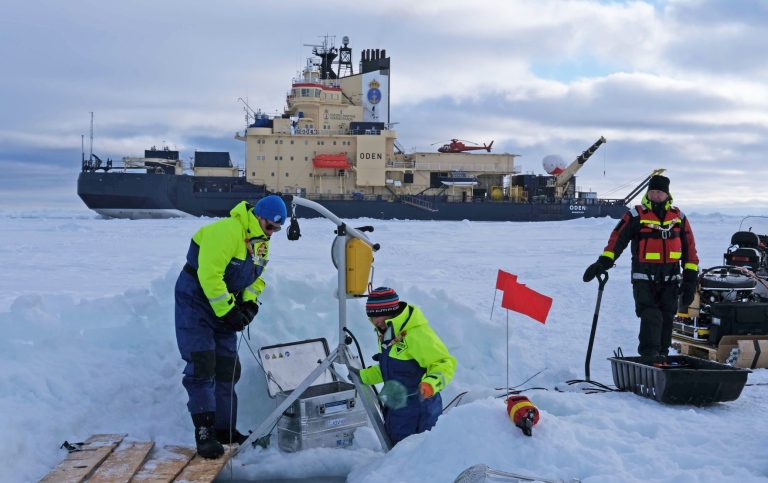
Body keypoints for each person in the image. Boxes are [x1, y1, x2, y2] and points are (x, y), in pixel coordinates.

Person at [175, 196, 287, 458]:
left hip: (225, 304)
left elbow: (255, 279)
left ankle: (225, 431)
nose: (272, 234)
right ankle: (205, 433)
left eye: (276, 230)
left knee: (227, 368)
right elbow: (209, 275)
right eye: (269, 227)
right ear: (258, 217)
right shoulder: (228, 231)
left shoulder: (261, 243)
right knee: (202, 365)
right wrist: (227, 311)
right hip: (197, 301)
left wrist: (248, 305)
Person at [583, 175, 699, 358]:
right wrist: (603, 262)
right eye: (652, 191)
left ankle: (662, 357)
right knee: (651, 316)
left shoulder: (679, 217)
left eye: (659, 192)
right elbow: (617, 240)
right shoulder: (635, 215)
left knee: (667, 317)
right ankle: (649, 357)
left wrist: (691, 280)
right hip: (644, 279)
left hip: (671, 279)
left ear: (667, 194)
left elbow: (689, 251)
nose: (655, 195)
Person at [355, 287, 456, 445]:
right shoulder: (387, 331)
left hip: (419, 411)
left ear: (390, 310)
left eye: (377, 316)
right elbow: (394, 369)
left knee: (414, 458)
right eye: (371, 316)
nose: (374, 321)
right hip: (397, 410)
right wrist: (364, 376)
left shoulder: (417, 334)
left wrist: (431, 384)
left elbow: (444, 363)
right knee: (398, 454)